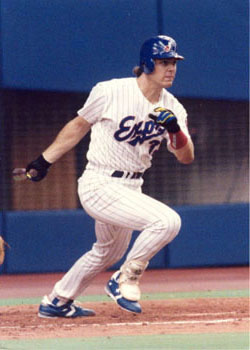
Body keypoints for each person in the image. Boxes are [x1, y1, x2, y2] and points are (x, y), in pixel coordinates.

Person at [25, 35, 194, 318]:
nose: (171, 68)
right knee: (167, 221)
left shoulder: (174, 107)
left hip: (131, 186)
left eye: (174, 62)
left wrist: (175, 130)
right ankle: (124, 279)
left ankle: (56, 301)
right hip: (99, 182)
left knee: (108, 251)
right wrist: (45, 160)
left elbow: (186, 156)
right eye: (164, 62)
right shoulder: (110, 91)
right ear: (147, 63)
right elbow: (79, 126)